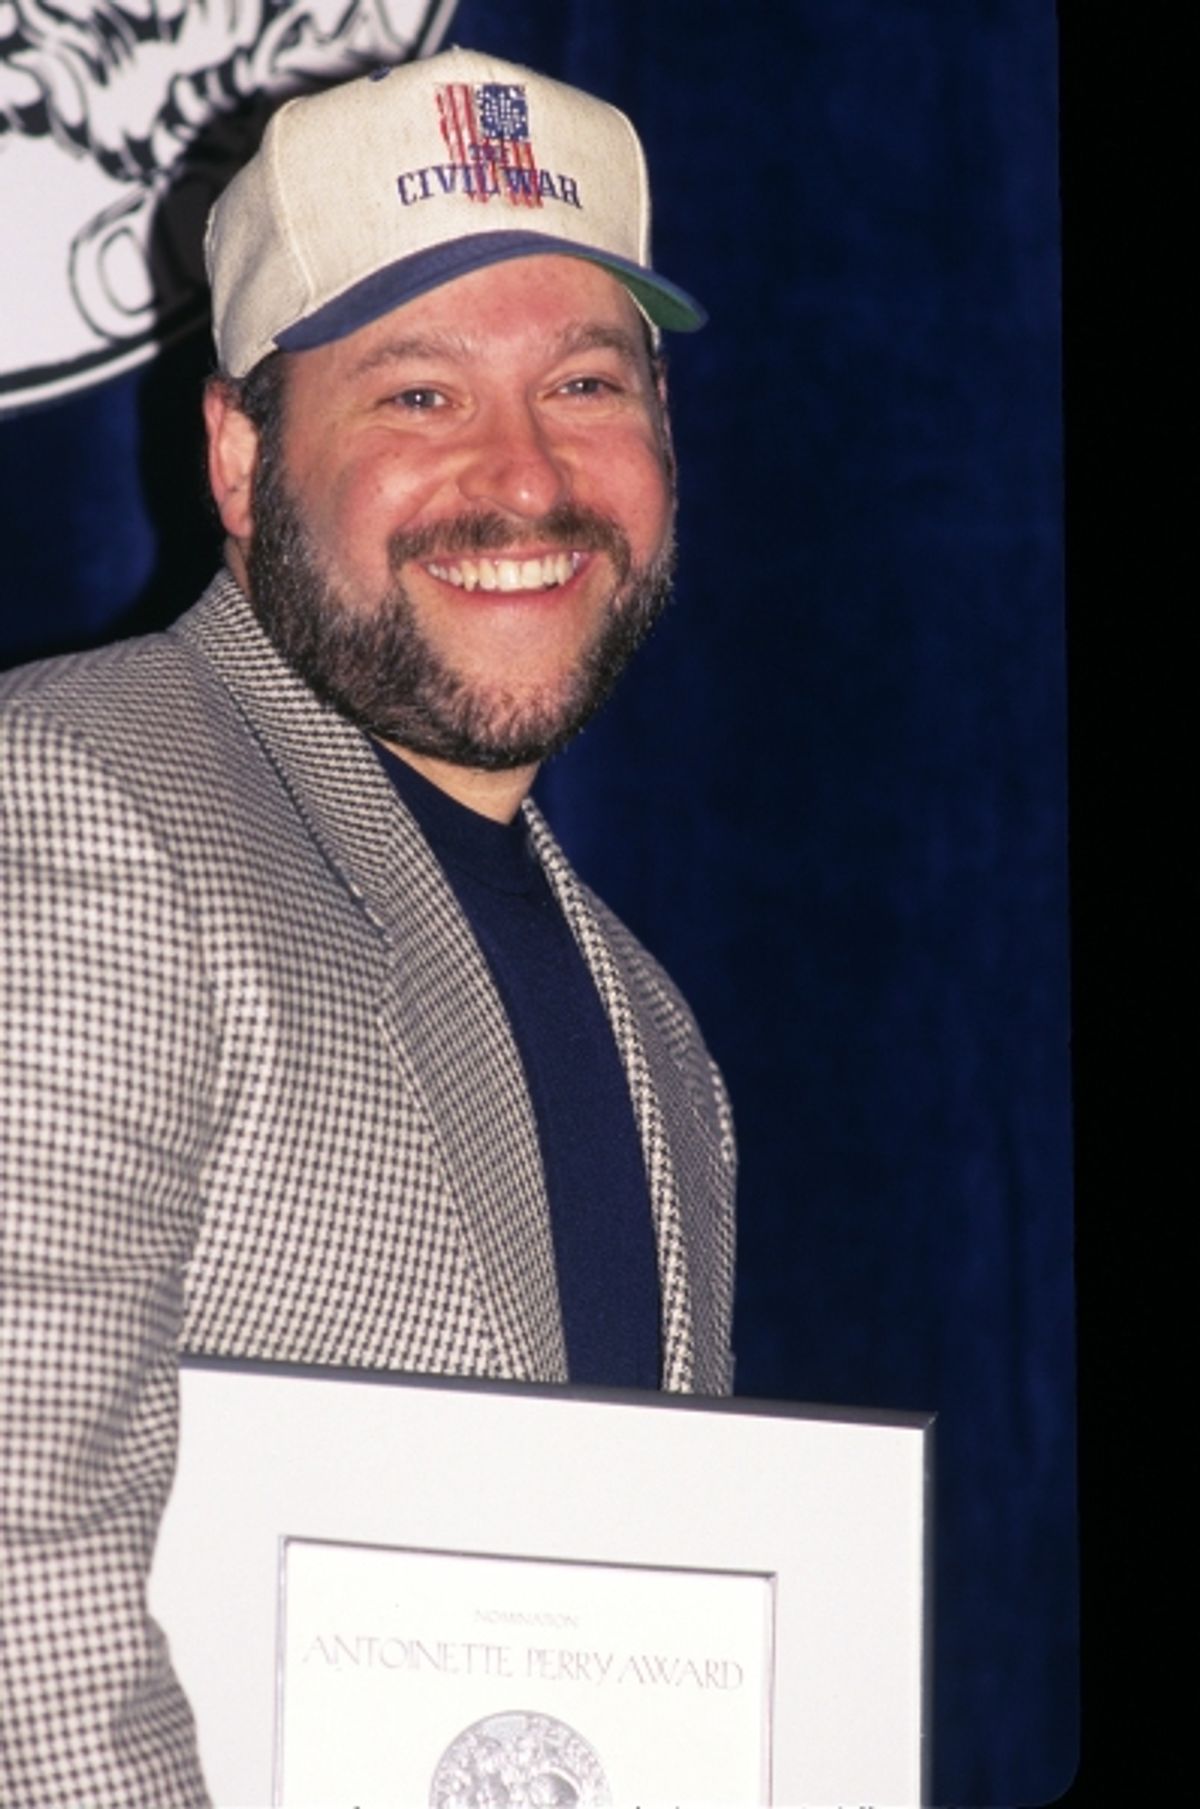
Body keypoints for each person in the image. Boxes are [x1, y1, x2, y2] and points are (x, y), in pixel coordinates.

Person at [0, 46, 735, 1807]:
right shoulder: (74, 799)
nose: (525, 475)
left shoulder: (660, 1040)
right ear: (242, 457)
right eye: (417, 395)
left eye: (584, 380)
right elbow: (23, 1558)